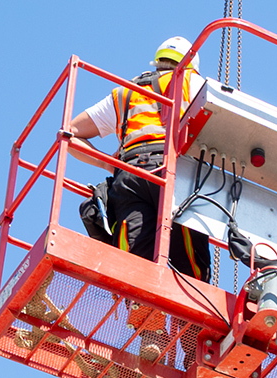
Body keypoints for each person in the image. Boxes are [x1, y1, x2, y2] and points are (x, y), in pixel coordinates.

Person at [64, 36, 213, 282]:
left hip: (129, 178)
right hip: (173, 174)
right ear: (190, 64)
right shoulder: (192, 82)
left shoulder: (127, 92)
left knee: (134, 269)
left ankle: (139, 315)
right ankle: (191, 320)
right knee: (191, 271)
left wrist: (107, 163)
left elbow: (69, 133)